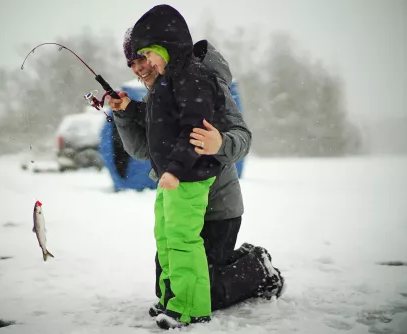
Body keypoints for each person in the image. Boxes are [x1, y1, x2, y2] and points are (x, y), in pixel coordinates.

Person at [108, 5, 284, 329]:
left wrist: (220, 144)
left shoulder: (203, 82)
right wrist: (123, 112)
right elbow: (141, 150)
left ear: (161, 50)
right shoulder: (161, 91)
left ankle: (258, 267)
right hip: (181, 198)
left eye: (143, 58)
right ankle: (195, 291)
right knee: (176, 274)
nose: (139, 68)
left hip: (217, 206)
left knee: (207, 290)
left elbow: (243, 138)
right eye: (132, 62)